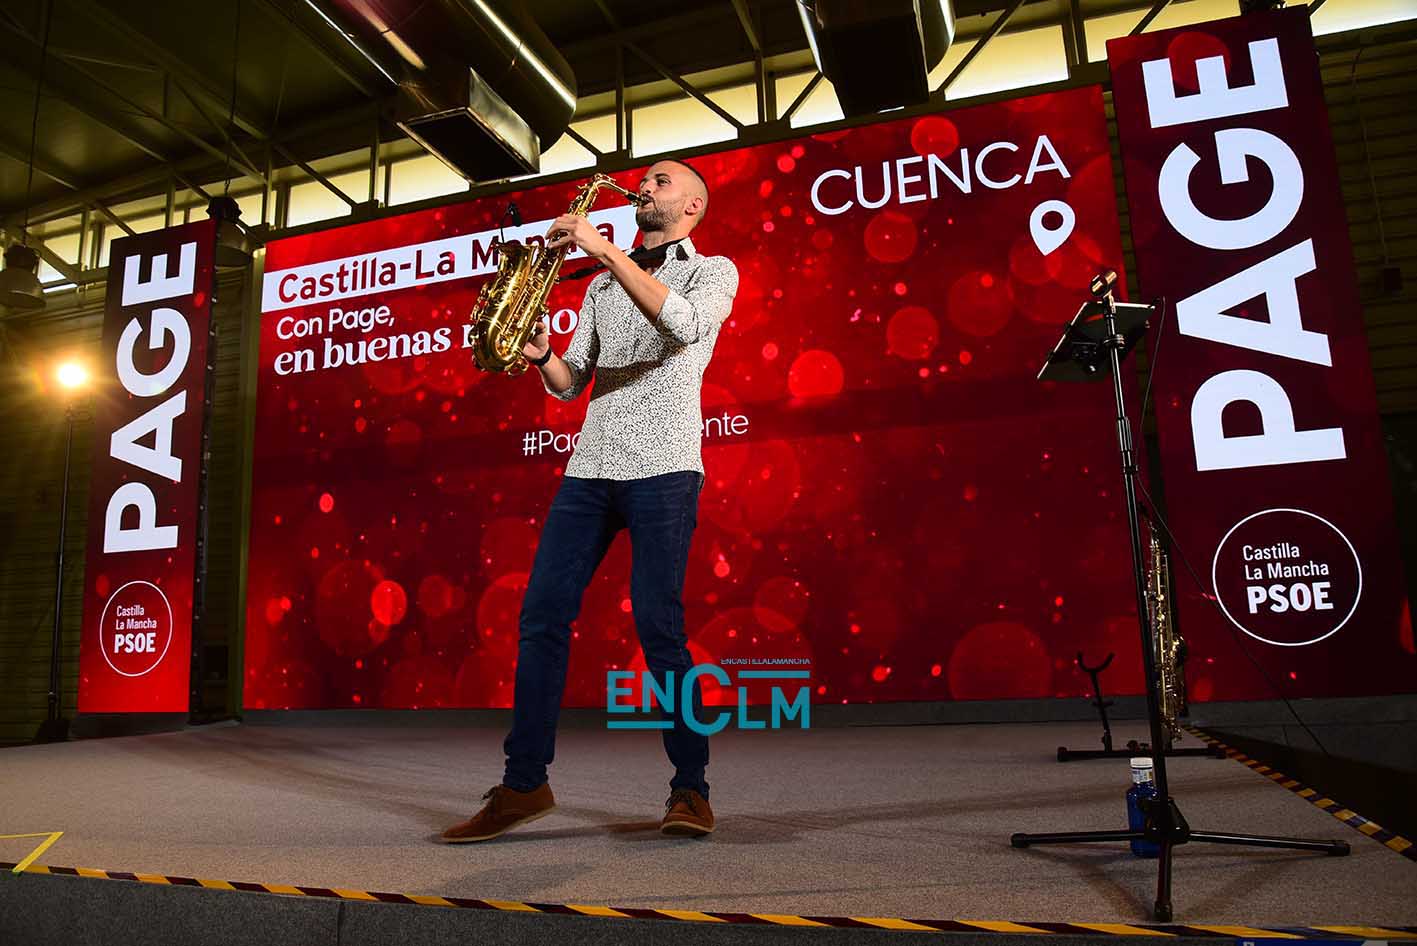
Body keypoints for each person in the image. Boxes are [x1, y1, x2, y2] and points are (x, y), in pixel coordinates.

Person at [441, 158, 739, 843]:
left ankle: (690, 788)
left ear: (692, 206)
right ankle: (524, 784)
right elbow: (571, 383)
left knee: (660, 627)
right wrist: (543, 353)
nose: (645, 187)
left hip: (665, 468)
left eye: (662, 182)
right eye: (645, 181)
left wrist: (603, 249)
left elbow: (684, 326)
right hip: (590, 469)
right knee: (541, 618)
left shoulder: (712, 271)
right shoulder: (604, 285)